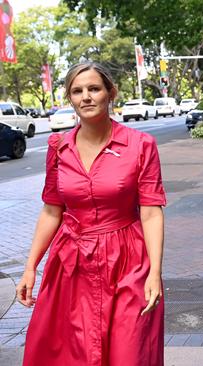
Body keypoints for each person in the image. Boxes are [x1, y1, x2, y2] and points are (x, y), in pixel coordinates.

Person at [16, 62, 166, 365]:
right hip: (71, 265)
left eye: (94, 89)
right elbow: (51, 210)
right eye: (77, 91)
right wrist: (31, 266)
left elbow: (150, 213)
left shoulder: (140, 145)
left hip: (127, 261)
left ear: (110, 93)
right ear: (70, 98)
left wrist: (155, 273)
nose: (86, 96)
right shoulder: (58, 146)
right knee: (71, 353)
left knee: (129, 351)